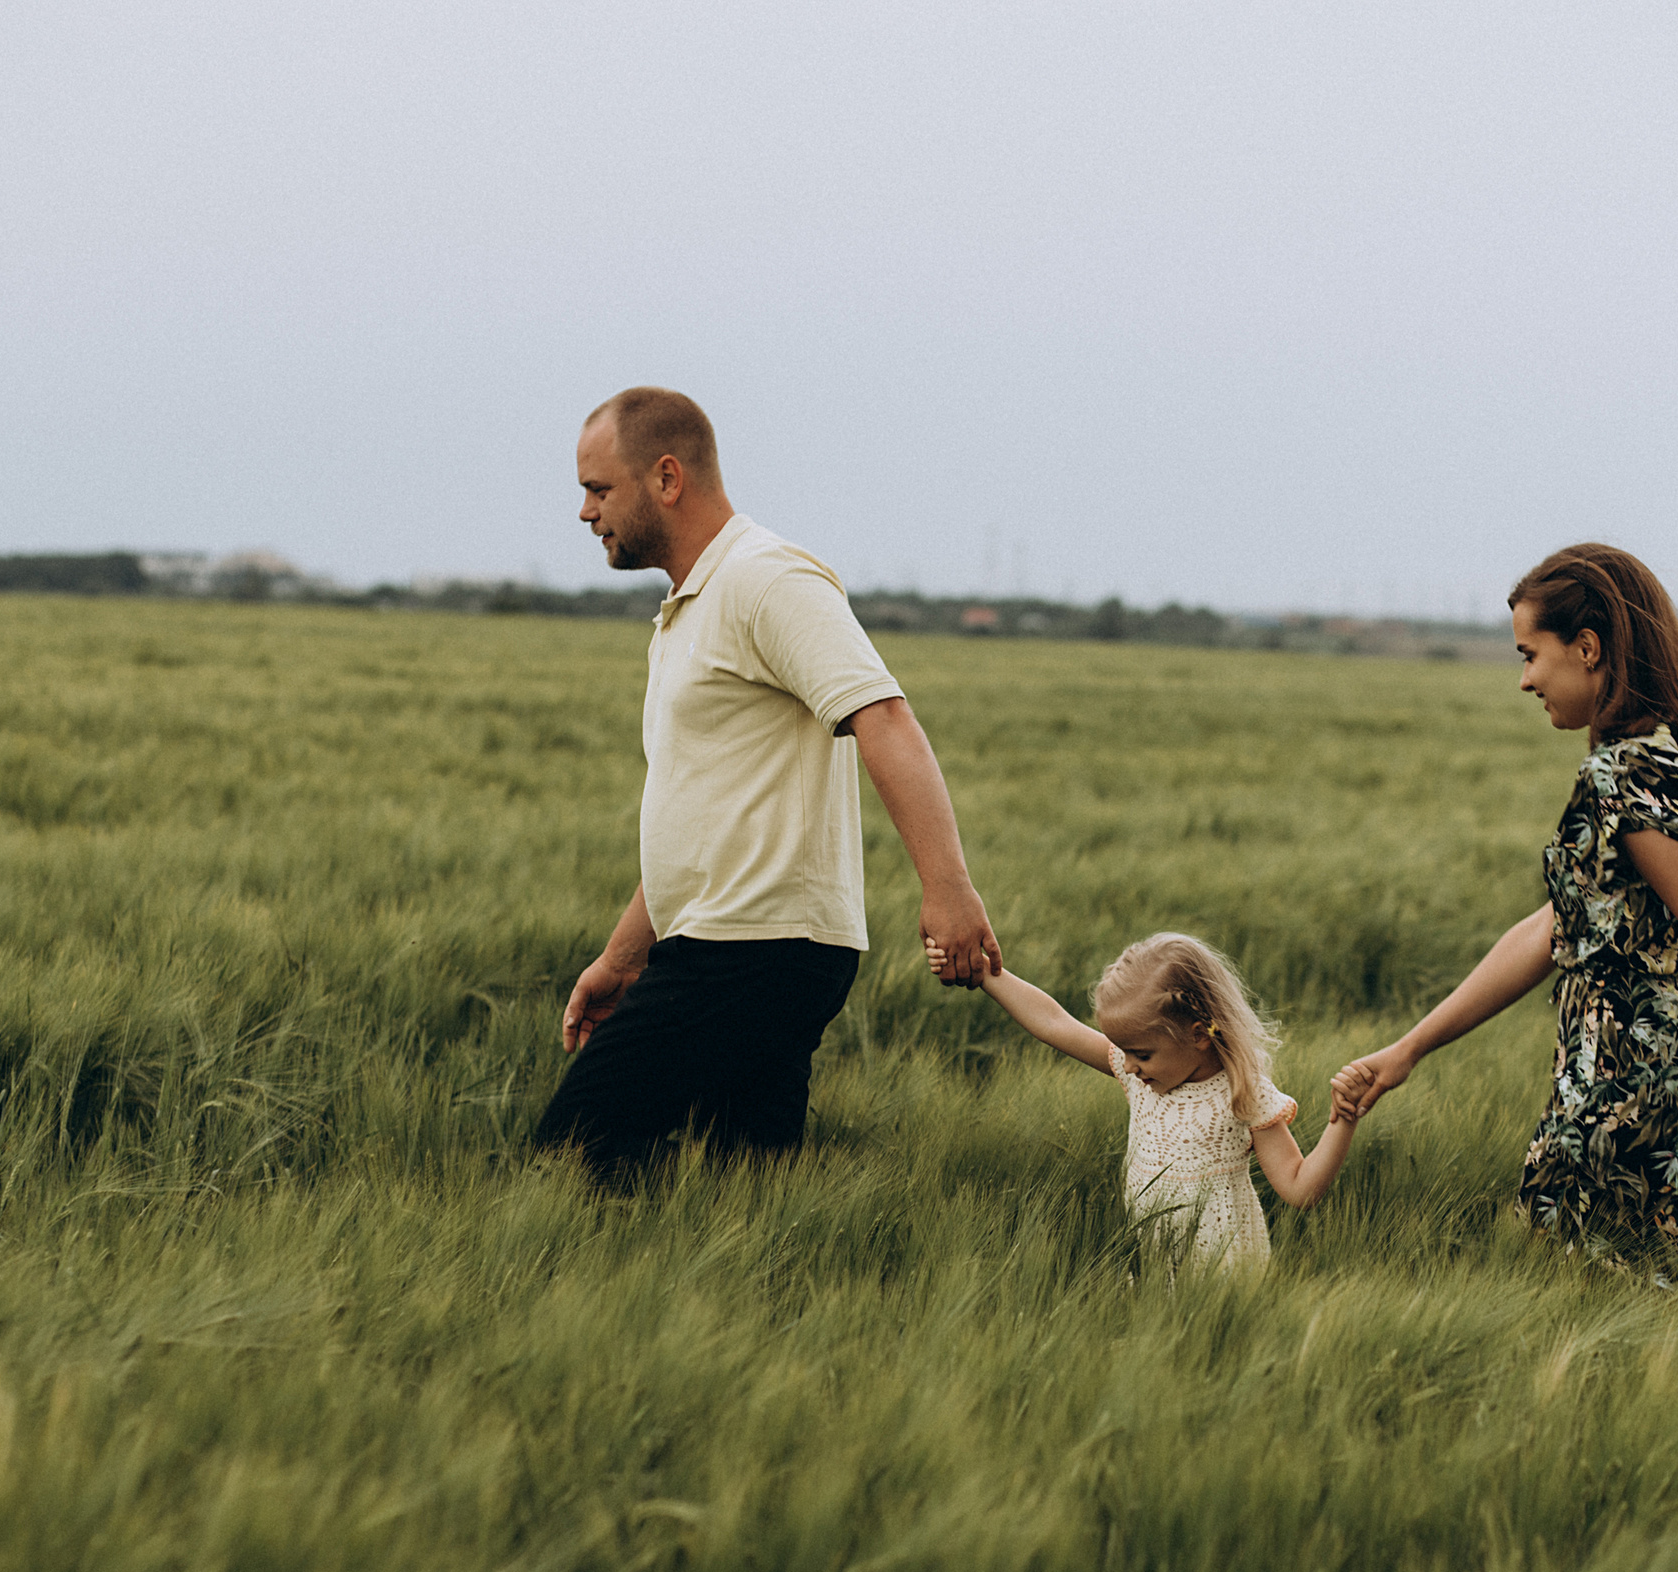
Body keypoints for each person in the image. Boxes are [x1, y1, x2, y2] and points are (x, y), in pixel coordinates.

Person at [1333, 544, 1678, 1269]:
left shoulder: (1624, 774)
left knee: (1574, 1305)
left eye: (1529, 654)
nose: (1523, 680)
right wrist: (1409, 1047)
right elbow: (1557, 926)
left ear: (1588, 647)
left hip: (1631, 1107)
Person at [533, 386, 1003, 1180]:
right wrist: (622, 958)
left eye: (598, 488)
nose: (584, 511)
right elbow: (706, 816)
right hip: (733, 940)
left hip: (754, 946)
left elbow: (884, 718)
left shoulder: (766, 578)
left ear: (668, 478)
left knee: (573, 1150)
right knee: (746, 1184)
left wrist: (948, 889)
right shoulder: (692, 605)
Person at [931, 931, 1370, 1274]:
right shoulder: (1136, 1075)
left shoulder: (1243, 1096)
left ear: (1199, 1035)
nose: (1129, 1065)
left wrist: (1343, 1120)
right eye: (1123, 1051)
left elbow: (1299, 1188)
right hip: (1152, 1259)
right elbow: (1052, 1022)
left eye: (1142, 1053)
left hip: (1225, 1269)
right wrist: (987, 974)